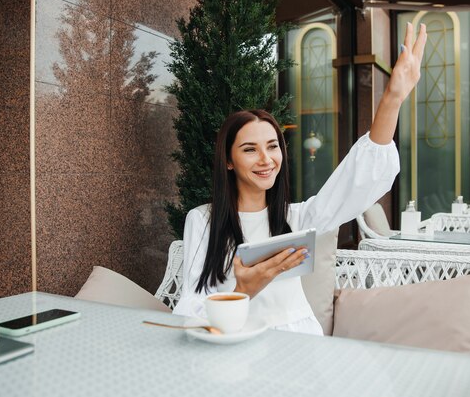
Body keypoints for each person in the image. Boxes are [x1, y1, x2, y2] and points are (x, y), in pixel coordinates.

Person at [173, 23, 427, 335]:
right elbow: (190, 310)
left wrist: (393, 97)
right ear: (228, 160)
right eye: (250, 149)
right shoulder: (203, 221)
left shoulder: (300, 218)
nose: (266, 160)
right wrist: (243, 290)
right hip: (234, 347)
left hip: (299, 345)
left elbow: (360, 180)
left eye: (272, 146)